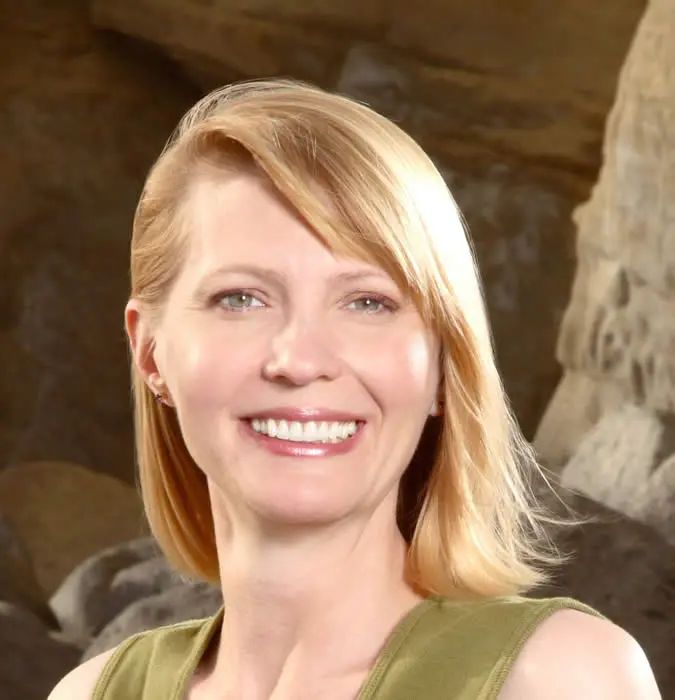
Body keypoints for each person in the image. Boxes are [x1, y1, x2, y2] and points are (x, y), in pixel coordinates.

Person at [49, 79, 661, 700]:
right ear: (150, 351)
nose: (300, 359)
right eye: (240, 299)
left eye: (368, 302)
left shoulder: (560, 679)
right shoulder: (90, 694)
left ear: (444, 366)